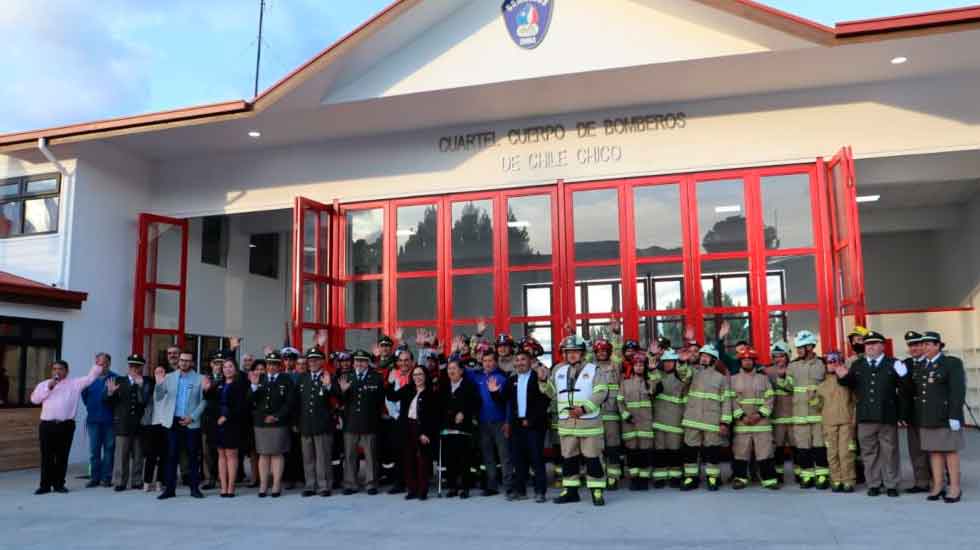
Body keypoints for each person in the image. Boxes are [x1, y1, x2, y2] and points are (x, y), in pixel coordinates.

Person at [835, 330, 906, 497]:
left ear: (882, 346)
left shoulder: (893, 363)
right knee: (868, 452)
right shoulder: (858, 365)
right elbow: (850, 383)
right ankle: (873, 483)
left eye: (874, 344)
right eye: (867, 344)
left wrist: (902, 415)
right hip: (865, 415)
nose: (870, 347)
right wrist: (841, 377)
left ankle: (891, 484)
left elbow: (905, 389)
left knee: (890, 451)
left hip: (887, 415)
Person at [542, 335, 610, 506]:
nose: (571, 355)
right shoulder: (558, 370)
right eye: (568, 352)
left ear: (582, 353)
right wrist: (543, 381)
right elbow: (552, 393)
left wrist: (583, 409)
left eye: (575, 351)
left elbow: (601, 393)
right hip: (567, 424)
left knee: (593, 459)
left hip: (589, 424)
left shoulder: (594, 370)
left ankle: (597, 490)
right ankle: (571, 491)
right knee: (569, 459)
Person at [907, 331, 966, 503]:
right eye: (922, 344)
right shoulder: (921, 365)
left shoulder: (951, 363)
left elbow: (957, 391)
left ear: (938, 345)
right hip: (927, 417)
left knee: (950, 452)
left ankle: (954, 487)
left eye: (928, 344)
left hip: (946, 416)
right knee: (934, 452)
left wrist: (955, 415)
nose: (924, 347)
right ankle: (938, 486)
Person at [30, 360, 102, 494]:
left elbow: (90, 378)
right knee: (47, 456)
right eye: (54, 369)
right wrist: (49, 387)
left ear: (66, 371)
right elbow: (34, 400)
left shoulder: (74, 384)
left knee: (62, 455)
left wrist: (97, 365)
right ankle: (45, 485)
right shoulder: (44, 384)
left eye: (60, 369)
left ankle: (59, 484)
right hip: (47, 425)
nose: (57, 371)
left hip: (66, 425)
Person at [490, 349, 551, 502]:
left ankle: (540, 492)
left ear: (530, 361)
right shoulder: (512, 380)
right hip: (517, 425)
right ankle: (520, 491)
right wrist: (494, 392)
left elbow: (545, 402)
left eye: (523, 360)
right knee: (518, 459)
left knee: (536, 459)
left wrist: (531, 420)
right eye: (517, 360)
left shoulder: (538, 377)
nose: (519, 363)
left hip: (535, 425)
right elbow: (502, 399)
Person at [780, 330, 830, 489]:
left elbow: (828, 387)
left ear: (810, 346)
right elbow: (789, 387)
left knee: (820, 447)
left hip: (818, 414)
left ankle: (822, 475)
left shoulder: (822, 364)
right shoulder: (792, 366)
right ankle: (807, 476)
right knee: (802, 448)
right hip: (799, 415)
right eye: (797, 347)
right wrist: (781, 378)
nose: (798, 350)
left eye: (801, 347)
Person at [155, 351, 207, 499]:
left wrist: (192, 417)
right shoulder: (169, 378)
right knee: (171, 456)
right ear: (178, 361)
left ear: (192, 363)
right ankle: (169, 489)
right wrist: (159, 384)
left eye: (187, 361)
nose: (184, 363)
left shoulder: (200, 379)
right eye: (182, 360)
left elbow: (204, 401)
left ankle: (194, 488)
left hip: (191, 422)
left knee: (192, 456)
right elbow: (159, 397)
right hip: (174, 421)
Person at [680, 345, 732, 491]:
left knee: (712, 450)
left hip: (712, 421)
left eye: (707, 356)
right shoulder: (693, 372)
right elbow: (682, 373)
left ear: (713, 360)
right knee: (690, 450)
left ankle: (713, 478)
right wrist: (683, 362)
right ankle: (691, 478)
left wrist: (724, 422)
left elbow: (726, 401)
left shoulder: (721, 379)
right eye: (702, 355)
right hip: (692, 419)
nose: (703, 357)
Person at [386, 365, 439, 500]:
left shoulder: (431, 393)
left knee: (422, 461)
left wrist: (426, 433)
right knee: (408, 460)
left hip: (421, 429)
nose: (417, 377)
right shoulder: (408, 389)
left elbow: (433, 417)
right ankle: (412, 490)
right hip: (407, 427)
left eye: (420, 374)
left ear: (425, 376)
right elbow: (392, 396)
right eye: (415, 375)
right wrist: (391, 382)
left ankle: (422, 491)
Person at [729, 348, 778, 490]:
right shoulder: (733, 379)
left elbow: (770, 398)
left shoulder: (763, 379)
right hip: (742, 423)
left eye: (750, 359)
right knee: (740, 452)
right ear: (740, 362)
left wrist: (760, 414)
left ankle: (769, 480)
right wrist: (741, 416)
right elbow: (731, 400)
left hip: (762, 423)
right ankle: (740, 479)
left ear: (754, 362)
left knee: (765, 452)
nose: (747, 362)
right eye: (744, 360)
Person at [248, 351, 294, 498]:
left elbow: (289, 403)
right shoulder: (259, 378)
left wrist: (276, 416)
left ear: (279, 366)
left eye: (275, 364)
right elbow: (249, 400)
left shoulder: (285, 379)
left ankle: (276, 484)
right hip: (261, 423)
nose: (272, 367)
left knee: (277, 453)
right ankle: (263, 484)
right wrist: (254, 386)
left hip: (278, 423)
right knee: (263, 454)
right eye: (269, 364)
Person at [339, 349, 386, 495]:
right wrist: (343, 391)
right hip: (351, 422)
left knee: (370, 455)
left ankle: (371, 483)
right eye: (357, 361)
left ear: (367, 363)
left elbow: (379, 401)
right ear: (353, 363)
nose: (359, 363)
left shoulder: (376, 378)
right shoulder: (346, 377)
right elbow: (340, 402)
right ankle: (350, 484)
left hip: (369, 422)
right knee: (350, 455)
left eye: (363, 361)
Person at [466, 350, 511, 497]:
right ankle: (492, 486)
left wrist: (507, 421)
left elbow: (509, 402)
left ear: (496, 362)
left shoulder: (502, 378)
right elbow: (459, 367)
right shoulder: (477, 376)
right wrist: (456, 352)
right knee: (488, 456)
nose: (488, 363)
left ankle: (508, 486)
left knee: (504, 456)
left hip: (500, 422)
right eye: (485, 361)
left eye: (491, 360)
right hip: (483, 422)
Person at [296, 347, 338, 497]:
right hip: (306, 424)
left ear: (321, 361)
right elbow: (297, 402)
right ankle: (310, 485)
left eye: (315, 360)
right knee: (308, 458)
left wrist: (328, 385)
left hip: (323, 424)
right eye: (310, 360)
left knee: (323, 457)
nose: (312, 363)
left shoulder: (329, 376)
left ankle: (324, 485)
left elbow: (338, 396)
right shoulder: (303, 378)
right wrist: (297, 422)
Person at [104, 354, 148, 491]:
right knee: (121, 455)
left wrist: (141, 386)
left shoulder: (146, 381)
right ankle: (120, 482)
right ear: (128, 366)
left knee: (138, 454)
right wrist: (110, 393)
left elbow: (146, 401)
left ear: (142, 367)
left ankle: (136, 480)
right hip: (122, 422)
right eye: (131, 366)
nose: (134, 369)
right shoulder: (118, 380)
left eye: (137, 366)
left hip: (140, 423)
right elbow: (108, 403)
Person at [815, 351, 857, 493]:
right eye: (829, 362)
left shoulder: (847, 381)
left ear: (841, 362)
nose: (832, 364)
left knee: (846, 453)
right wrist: (812, 398)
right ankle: (836, 479)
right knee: (832, 453)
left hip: (846, 422)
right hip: (829, 423)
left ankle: (848, 480)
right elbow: (817, 405)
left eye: (835, 361)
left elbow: (856, 401)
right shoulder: (822, 385)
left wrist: (854, 420)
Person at [206, 357, 248, 497]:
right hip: (217, 424)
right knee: (221, 455)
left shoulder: (239, 384)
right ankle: (223, 487)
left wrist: (227, 417)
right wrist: (206, 388)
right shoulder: (219, 384)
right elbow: (209, 398)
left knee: (231, 455)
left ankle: (231, 487)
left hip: (232, 423)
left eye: (230, 366)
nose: (227, 369)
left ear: (235, 369)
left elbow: (241, 406)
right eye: (225, 367)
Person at [650, 349, 691, 488]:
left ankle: (675, 477)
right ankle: (660, 477)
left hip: (675, 419)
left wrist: (683, 362)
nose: (668, 364)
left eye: (671, 362)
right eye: (665, 362)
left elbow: (685, 372)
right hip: (659, 419)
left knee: (674, 450)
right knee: (659, 450)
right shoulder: (658, 375)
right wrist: (652, 355)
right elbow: (652, 382)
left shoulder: (681, 376)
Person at [439, 359, 480, 498]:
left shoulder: (469, 385)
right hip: (448, 428)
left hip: (463, 428)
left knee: (464, 459)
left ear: (461, 371)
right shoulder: (444, 386)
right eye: (449, 368)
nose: (451, 371)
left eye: (454, 368)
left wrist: (464, 413)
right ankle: (452, 487)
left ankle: (465, 487)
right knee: (450, 459)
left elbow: (476, 403)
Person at [591, 319, 624, 490]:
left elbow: (618, 351)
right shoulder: (590, 368)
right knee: (597, 448)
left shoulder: (615, 366)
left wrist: (616, 335)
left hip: (612, 414)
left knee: (612, 447)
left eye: (605, 351)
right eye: (599, 351)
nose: (602, 353)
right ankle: (601, 475)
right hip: (595, 414)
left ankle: (613, 477)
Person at [901, 330, 931, 494]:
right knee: (916, 450)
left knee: (934, 448)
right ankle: (921, 481)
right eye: (911, 345)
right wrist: (903, 415)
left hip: (931, 413)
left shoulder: (931, 362)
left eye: (917, 344)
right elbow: (903, 393)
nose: (914, 348)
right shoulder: (905, 364)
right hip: (914, 414)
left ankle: (939, 477)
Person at [619, 354, 655, 491]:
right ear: (632, 367)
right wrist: (625, 415)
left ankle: (644, 479)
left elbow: (656, 389)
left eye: (641, 365)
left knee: (644, 452)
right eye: (636, 365)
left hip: (645, 422)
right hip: (630, 423)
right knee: (632, 452)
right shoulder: (625, 383)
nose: (639, 367)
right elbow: (620, 401)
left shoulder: (650, 381)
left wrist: (653, 371)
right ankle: (634, 479)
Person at [381, 347, 414, 494]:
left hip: (414, 419)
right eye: (400, 360)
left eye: (406, 360)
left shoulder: (416, 375)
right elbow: (389, 399)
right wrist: (396, 415)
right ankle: (399, 483)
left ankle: (413, 482)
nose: (403, 363)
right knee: (398, 452)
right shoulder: (394, 376)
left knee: (413, 452)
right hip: (398, 419)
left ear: (412, 362)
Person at [81, 352, 116, 488]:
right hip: (93, 420)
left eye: (104, 363)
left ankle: (106, 478)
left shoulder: (116, 378)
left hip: (110, 421)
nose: (101, 366)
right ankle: (94, 478)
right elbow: (85, 397)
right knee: (94, 450)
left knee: (109, 450)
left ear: (109, 364)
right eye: (98, 363)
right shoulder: (89, 379)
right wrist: (92, 408)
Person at [765, 342, 794, 484]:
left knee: (797, 448)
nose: (778, 359)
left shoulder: (794, 369)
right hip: (776, 417)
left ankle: (801, 474)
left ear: (787, 356)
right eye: (775, 356)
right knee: (778, 449)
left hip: (794, 416)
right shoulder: (767, 371)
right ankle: (778, 474)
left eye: (781, 356)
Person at [201, 350, 227, 490]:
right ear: (212, 365)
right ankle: (209, 479)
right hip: (207, 420)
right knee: (207, 452)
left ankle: (222, 478)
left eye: (222, 364)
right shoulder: (205, 379)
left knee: (223, 451)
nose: (219, 366)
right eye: (216, 363)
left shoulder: (229, 379)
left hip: (224, 420)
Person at [142, 364, 169, 492]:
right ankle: (147, 482)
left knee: (163, 455)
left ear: (165, 373)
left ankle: (159, 481)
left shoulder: (169, 386)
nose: (158, 373)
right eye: (156, 371)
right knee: (151, 455)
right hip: (152, 423)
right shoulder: (150, 386)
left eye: (161, 371)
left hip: (166, 424)